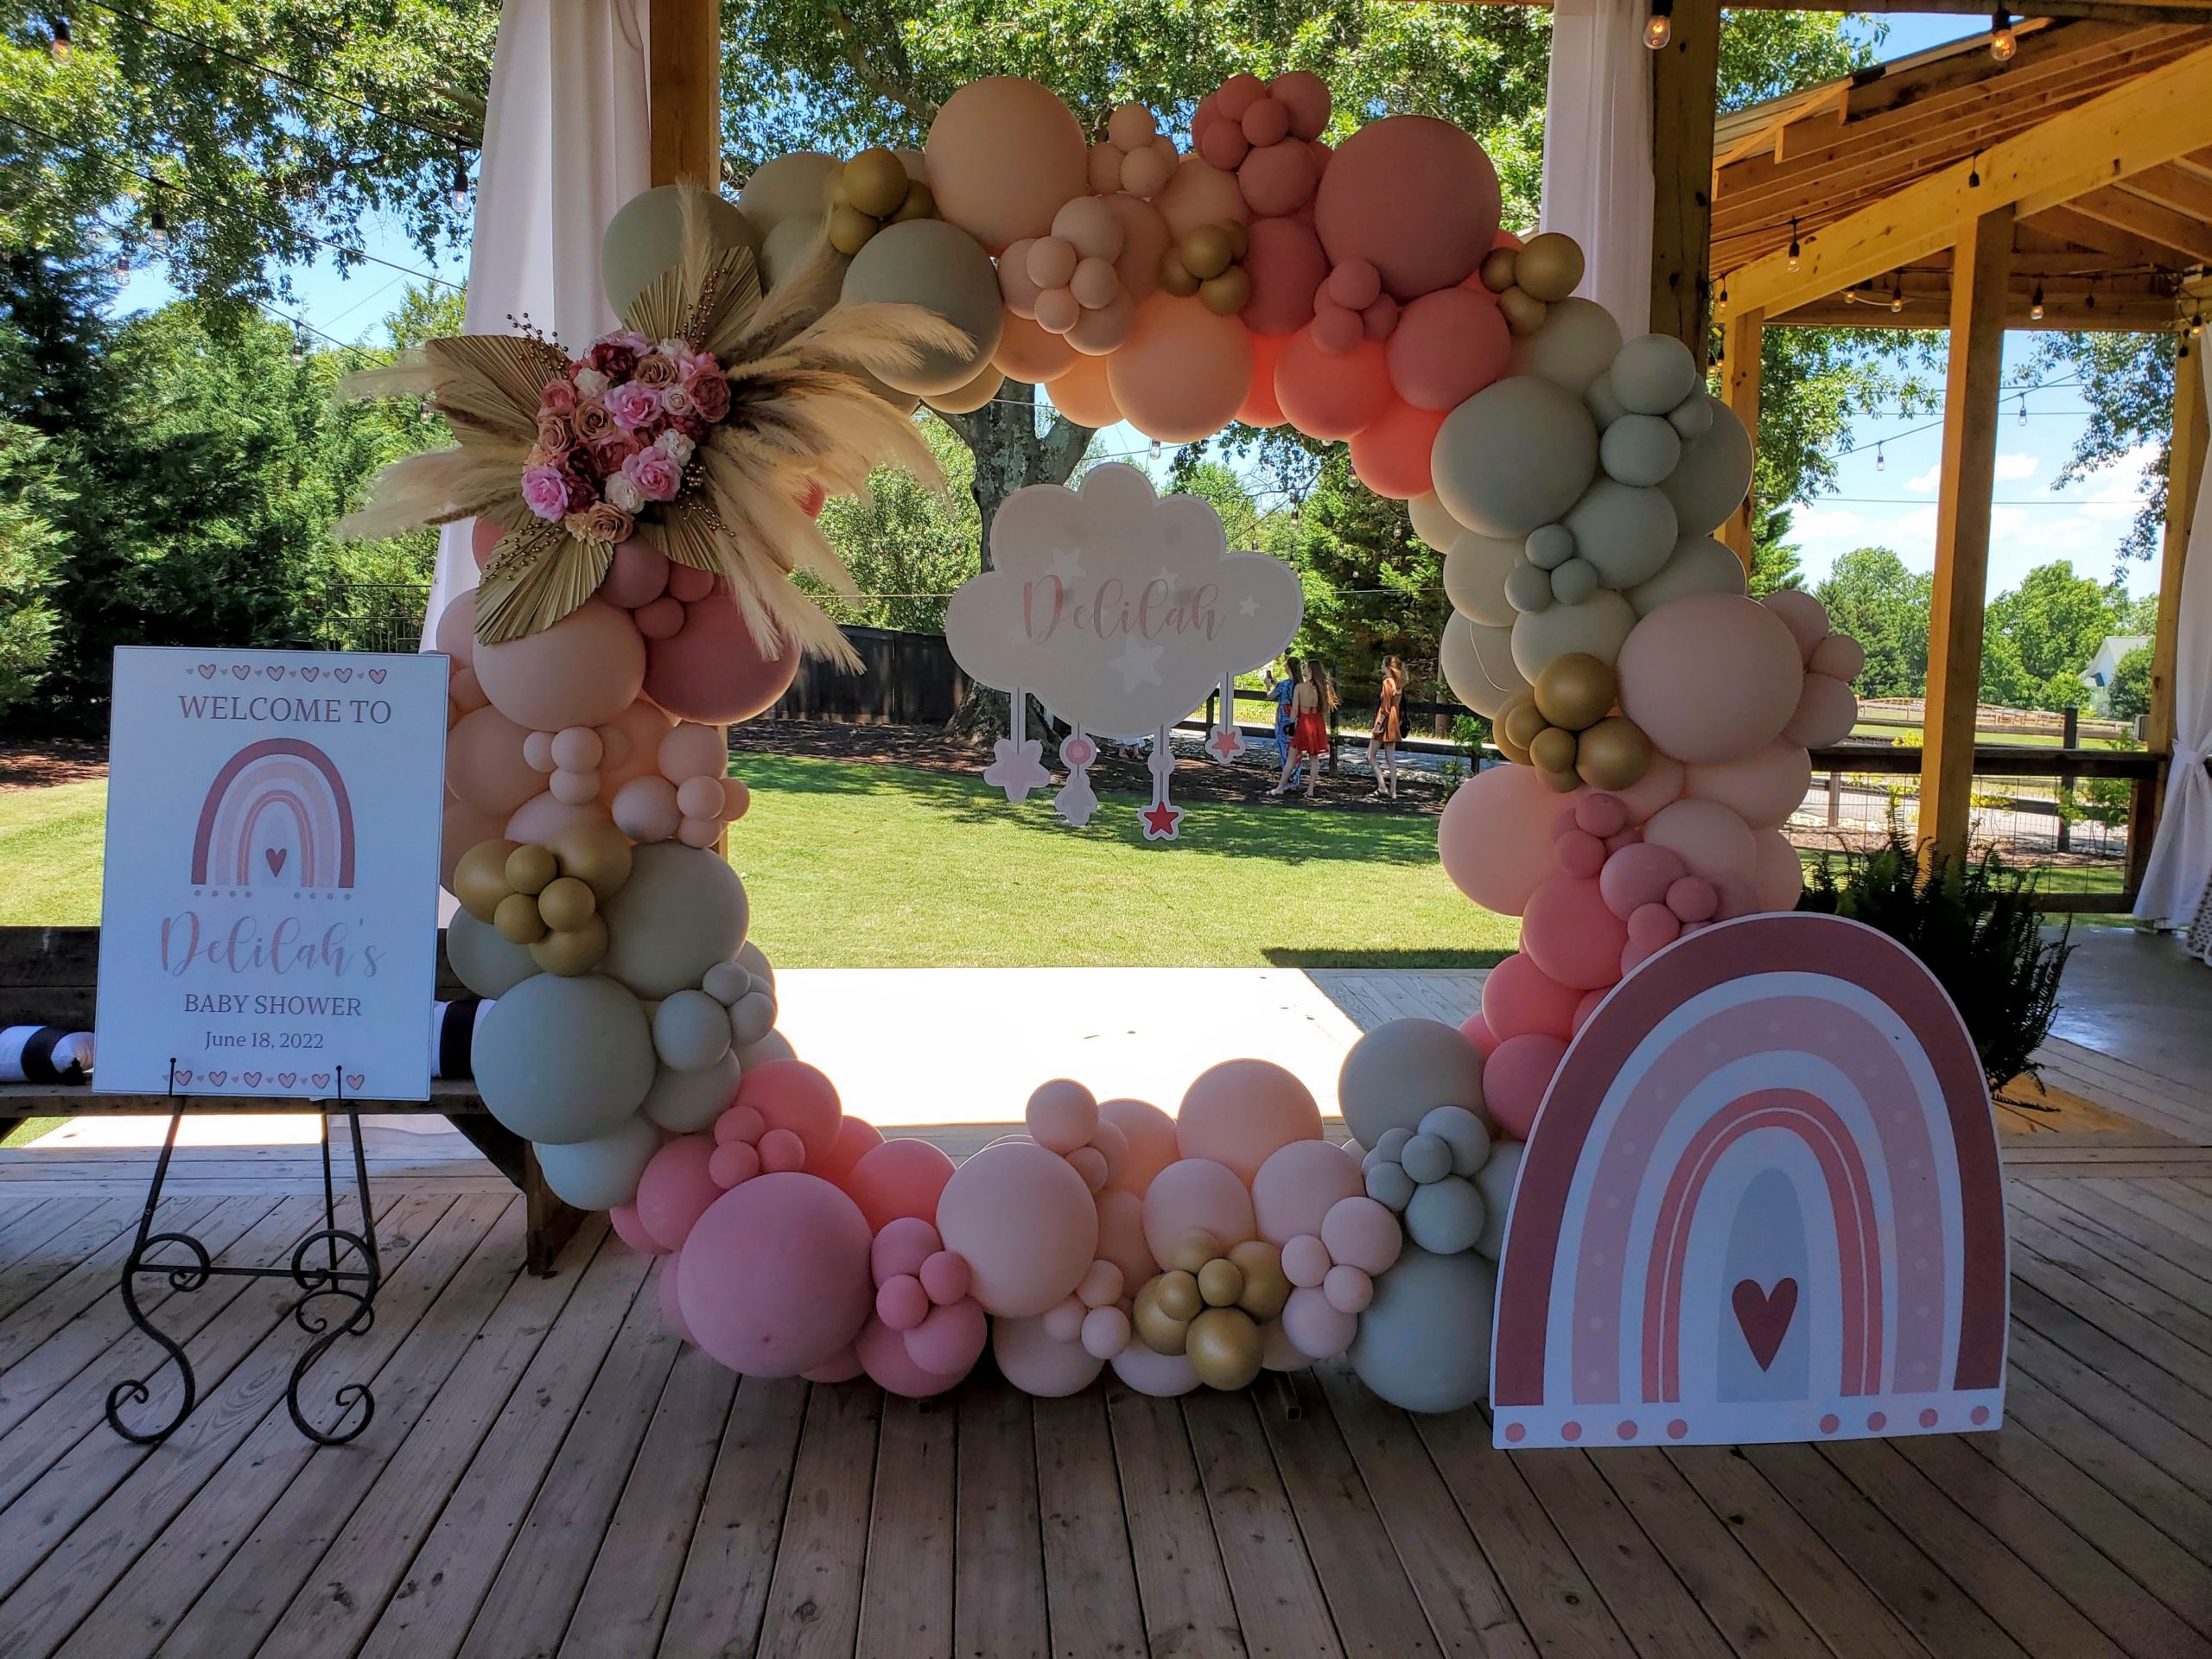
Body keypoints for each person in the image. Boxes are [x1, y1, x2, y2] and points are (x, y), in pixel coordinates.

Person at [1268, 661, 1331, 801]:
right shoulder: (1321, 688)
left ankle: (1280, 788)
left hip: (1303, 722)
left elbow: (1295, 710)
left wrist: (1291, 725)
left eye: (1305, 667)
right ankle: (1310, 790)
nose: (1303, 669)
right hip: (1317, 722)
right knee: (1314, 758)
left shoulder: (1300, 687)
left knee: (1292, 756)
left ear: (1309, 670)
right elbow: (1324, 708)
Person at [1366, 655, 1405, 801]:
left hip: (1385, 721)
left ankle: (1382, 786)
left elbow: (1385, 707)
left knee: (1370, 755)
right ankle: (1393, 791)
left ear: (1388, 666)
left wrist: (1378, 725)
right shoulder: (1398, 683)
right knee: (1390, 758)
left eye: (1383, 664)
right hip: (1394, 721)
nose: (1381, 667)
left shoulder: (1388, 682)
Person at [1270, 657, 1303, 788]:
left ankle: (1288, 778)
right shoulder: (1300, 685)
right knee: (1296, 748)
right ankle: (1295, 776)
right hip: (1298, 719)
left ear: (1288, 667)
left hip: (1283, 717)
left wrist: (1268, 686)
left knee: (1285, 749)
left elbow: (1270, 696)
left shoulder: (1284, 685)